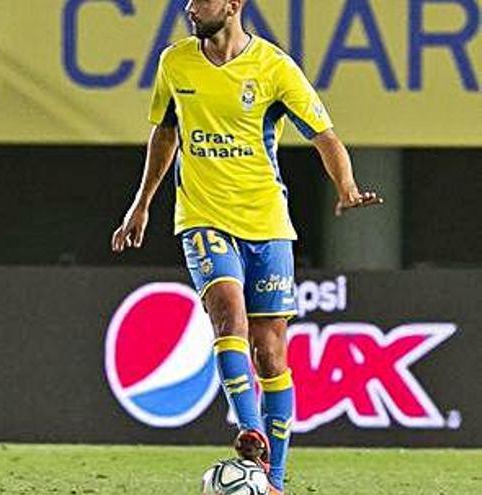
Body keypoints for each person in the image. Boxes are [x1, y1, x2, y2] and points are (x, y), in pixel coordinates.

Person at [111, 1, 382, 493]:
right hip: (202, 217)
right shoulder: (175, 62)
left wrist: (345, 186)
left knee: (271, 353)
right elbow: (165, 131)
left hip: (267, 223)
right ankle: (249, 428)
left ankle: (272, 481)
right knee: (227, 314)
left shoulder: (274, 67)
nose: (192, 8)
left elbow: (325, 136)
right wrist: (142, 203)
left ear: (233, 5)